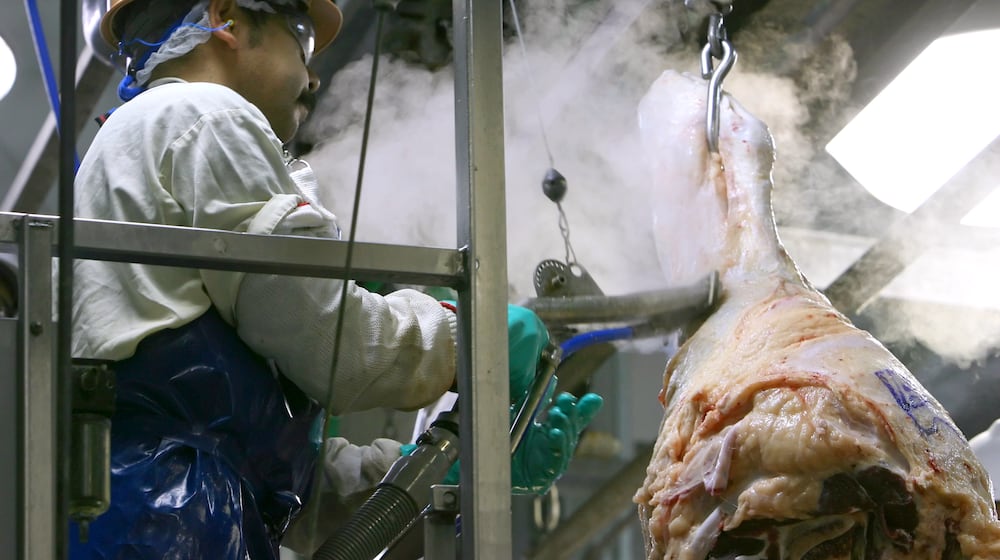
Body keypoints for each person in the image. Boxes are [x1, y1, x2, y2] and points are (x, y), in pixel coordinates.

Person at [69, 0, 603, 558]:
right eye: (301, 37)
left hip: (159, 520)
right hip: (166, 525)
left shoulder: (143, 144)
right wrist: (468, 337)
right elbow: (331, 339)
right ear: (226, 18)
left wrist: (450, 465)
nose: (314, 76)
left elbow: (285, 481)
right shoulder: (203, 114)